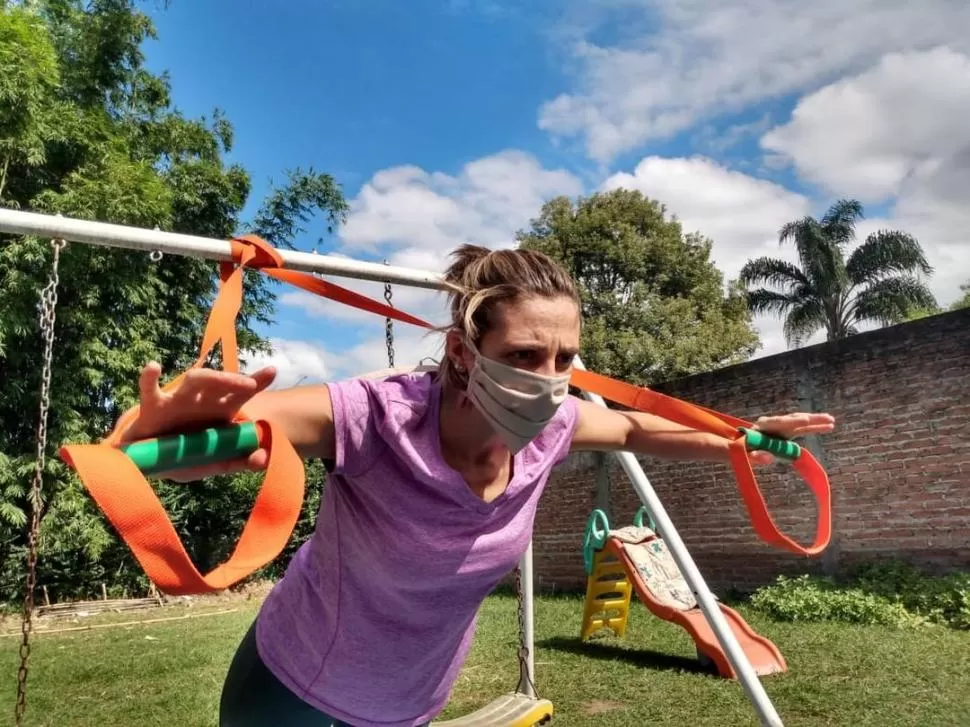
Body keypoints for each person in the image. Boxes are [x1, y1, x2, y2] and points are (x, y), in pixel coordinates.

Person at [119, 244, 835, 727]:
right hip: (295, 691)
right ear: (464, 353)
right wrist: (150, 434)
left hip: (411, 702)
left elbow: (630, 430)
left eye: (564, 356)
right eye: (525, 354)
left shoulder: (552, 425)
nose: (549, 377)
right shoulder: (377, 415)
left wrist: (742, 439)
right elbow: (223, 441)